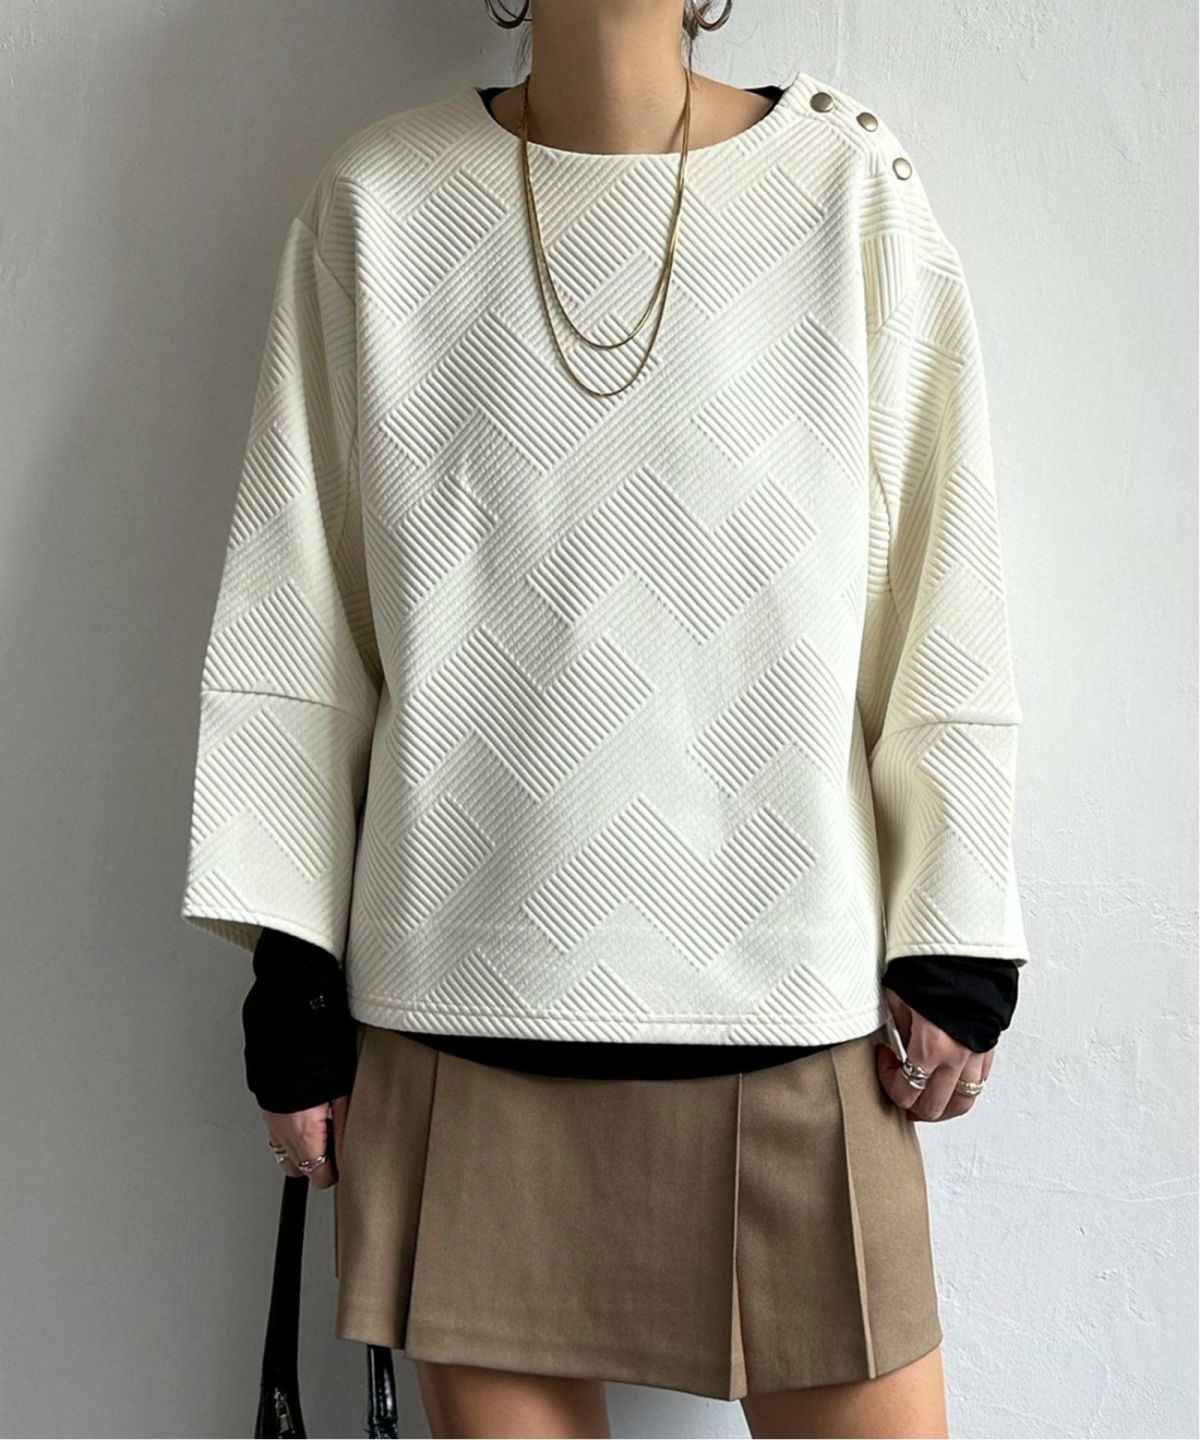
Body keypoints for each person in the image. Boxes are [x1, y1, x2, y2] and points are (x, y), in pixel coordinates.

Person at [181, 4, 1030, 1436]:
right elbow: (300, 614)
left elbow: (943, 583)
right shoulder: (379, 205)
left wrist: (954, 931)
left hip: (793, 1005)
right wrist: (297, 989)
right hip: (464, 1016)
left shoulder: (848, 194)